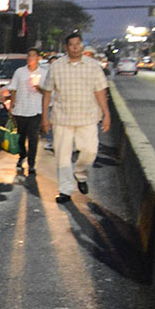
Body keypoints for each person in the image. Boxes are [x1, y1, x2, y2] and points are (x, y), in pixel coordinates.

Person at [40, 32, 110, 203]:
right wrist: (44, 117)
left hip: (88, 116)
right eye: (72, 45)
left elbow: (100, 91)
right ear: (66, 47)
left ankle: (81, 174)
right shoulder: (56, 66)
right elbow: (47, 93)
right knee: (62, 155)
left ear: (82, 46)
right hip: (62, 118)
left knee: (90, 151)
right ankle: (65, 190)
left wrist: (106, 114)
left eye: (78, 44)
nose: (76, 48)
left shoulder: (93, 66)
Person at [8, 48, 45, 175]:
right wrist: (12, 105)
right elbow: (13, 88)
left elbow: (48, 92)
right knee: (21, 136)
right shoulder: (20, 72)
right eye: (29, 55)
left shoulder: (44, 73)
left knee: (33, 137)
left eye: (34, 56)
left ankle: (32, 163)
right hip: (21, 109)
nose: (31, 58)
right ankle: (22, 154)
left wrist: (39, 88)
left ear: (38, 58)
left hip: (36, 109)